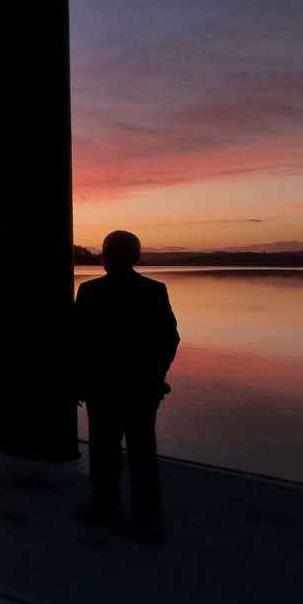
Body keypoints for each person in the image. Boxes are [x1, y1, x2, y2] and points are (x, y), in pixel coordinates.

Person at [75, 230, 180, 542]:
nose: (108, 260)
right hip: (126, 389)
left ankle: (115, 509)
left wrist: (80, 380)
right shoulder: (150, 290)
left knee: (118, 452)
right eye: (109, 254)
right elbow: (167, 340)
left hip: (115, 388)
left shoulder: (95, 291)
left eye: (111, 254)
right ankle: (135, 516)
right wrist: (153, 377)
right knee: (132, 453)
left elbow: (77, 341)